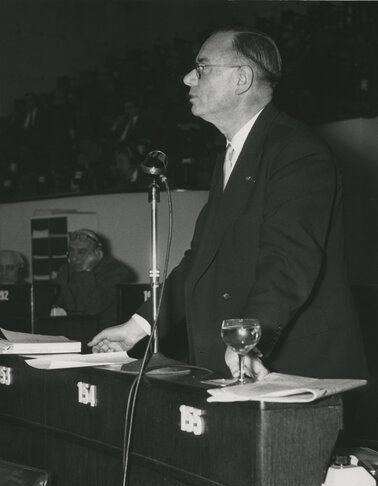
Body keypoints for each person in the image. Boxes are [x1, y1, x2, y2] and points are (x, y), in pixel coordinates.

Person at [89, 28, 367, 380]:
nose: (188, 77)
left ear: (241, 78)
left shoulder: (296, 150)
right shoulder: (233, 154)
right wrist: (136, 327)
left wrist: (248, 342)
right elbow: (199, 259)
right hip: (230, 363)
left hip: (292, 367)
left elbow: (287, 261)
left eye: (202, 67)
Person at [52, 229, 133, 330]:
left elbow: (94, 308)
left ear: (96, 253)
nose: (74, 258)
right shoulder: (65, 270)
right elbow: (54, 301)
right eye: (71, 251)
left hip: (103, 334)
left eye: (82, 252)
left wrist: (87, 270)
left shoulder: (117, 271)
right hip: (72, 331)